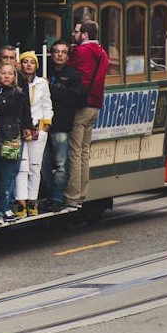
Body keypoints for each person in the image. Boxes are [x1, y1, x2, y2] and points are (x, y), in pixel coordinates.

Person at [0, 62, 33, 225]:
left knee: (6, 177)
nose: (6, 76)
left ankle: (0, 209)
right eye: (3, 73)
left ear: (14, 77)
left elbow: (7, 106)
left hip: (9, 138)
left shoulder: (18, 93)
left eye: (10, 73)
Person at [65, 20, 108, 210]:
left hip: (83, 106)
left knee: (75, 152)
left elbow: (74, 72)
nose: (74, 34)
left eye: (76, 32)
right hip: (95, 106)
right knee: (84, 152)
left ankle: (72, 195)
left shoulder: (82, 52)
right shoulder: (101, 51)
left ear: (84, 35)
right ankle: (82, 193)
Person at [40, 40, 84, 213]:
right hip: (44, 125)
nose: (59, 55)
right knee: (44, 163)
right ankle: (49, 195)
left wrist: (50, 89)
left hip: (61, 125)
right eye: (56, 51)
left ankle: (57, 197)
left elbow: (74, 98)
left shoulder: (73, 75)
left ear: (67, 55)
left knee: (60, 164)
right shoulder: (45, 71)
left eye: (63, 52)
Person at [13, 51, 52, 218]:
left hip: (38, 128)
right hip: (21, 128)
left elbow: (47, 105)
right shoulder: (16, 82)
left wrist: (45, 126)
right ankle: (20, 201)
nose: (28, 65)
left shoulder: (42, 83)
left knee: (35, 167)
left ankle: (32, 200)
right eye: (25, 61)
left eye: (32, 62)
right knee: (22, 166)